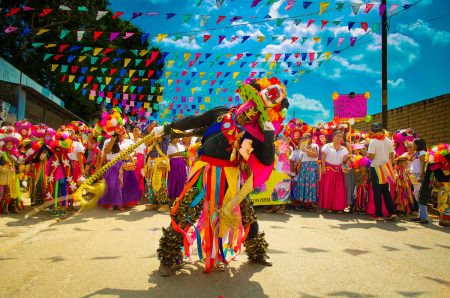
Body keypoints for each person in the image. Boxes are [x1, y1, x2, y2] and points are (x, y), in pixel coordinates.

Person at [157, 77, 288, 276]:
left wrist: (269, 136)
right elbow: (194, 120)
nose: (251, 110)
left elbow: (267, 159)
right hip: (204, 171)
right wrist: (168, 128)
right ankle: (168, 259)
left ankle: (257, 253)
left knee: (247, 214)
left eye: (258, 108)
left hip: (232, 175)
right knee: (185, 210)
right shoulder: (220, 112)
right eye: (252, 103)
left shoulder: (258, 131)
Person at [367, 123, 397, 221]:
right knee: (385, 191)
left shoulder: (373, 141)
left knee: (377, 191)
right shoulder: (388, 140)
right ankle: (392, 212)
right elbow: (392, 155)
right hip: (386, 167)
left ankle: (379, 214)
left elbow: (371, 156)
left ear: (372, 131)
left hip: (376, 167)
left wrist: (365, 156)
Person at [318, 130, 348, 213]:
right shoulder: (327, 146)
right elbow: (323, 157)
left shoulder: (344, 149)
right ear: (333, 137)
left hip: (339, 170)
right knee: (328, 188)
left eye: (341, 136)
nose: (339, 138)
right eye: (337, 136)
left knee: (339, 189)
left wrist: (347, 158)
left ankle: (338, 207)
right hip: (328, 169)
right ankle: (328, 207)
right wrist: (323, 167)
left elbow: (344, 161)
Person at [295, 133, 319, 210]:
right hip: (303, 167)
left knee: (311, 184)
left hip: (311, 166)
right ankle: (302, 202)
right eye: (303, 137)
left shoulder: (314, 145)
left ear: (310, 138)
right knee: (302, 184)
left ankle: (311, 203)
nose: (304, 139)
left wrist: (306, 150)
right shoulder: (302, 146)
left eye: (306, 137)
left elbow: (315, 155)